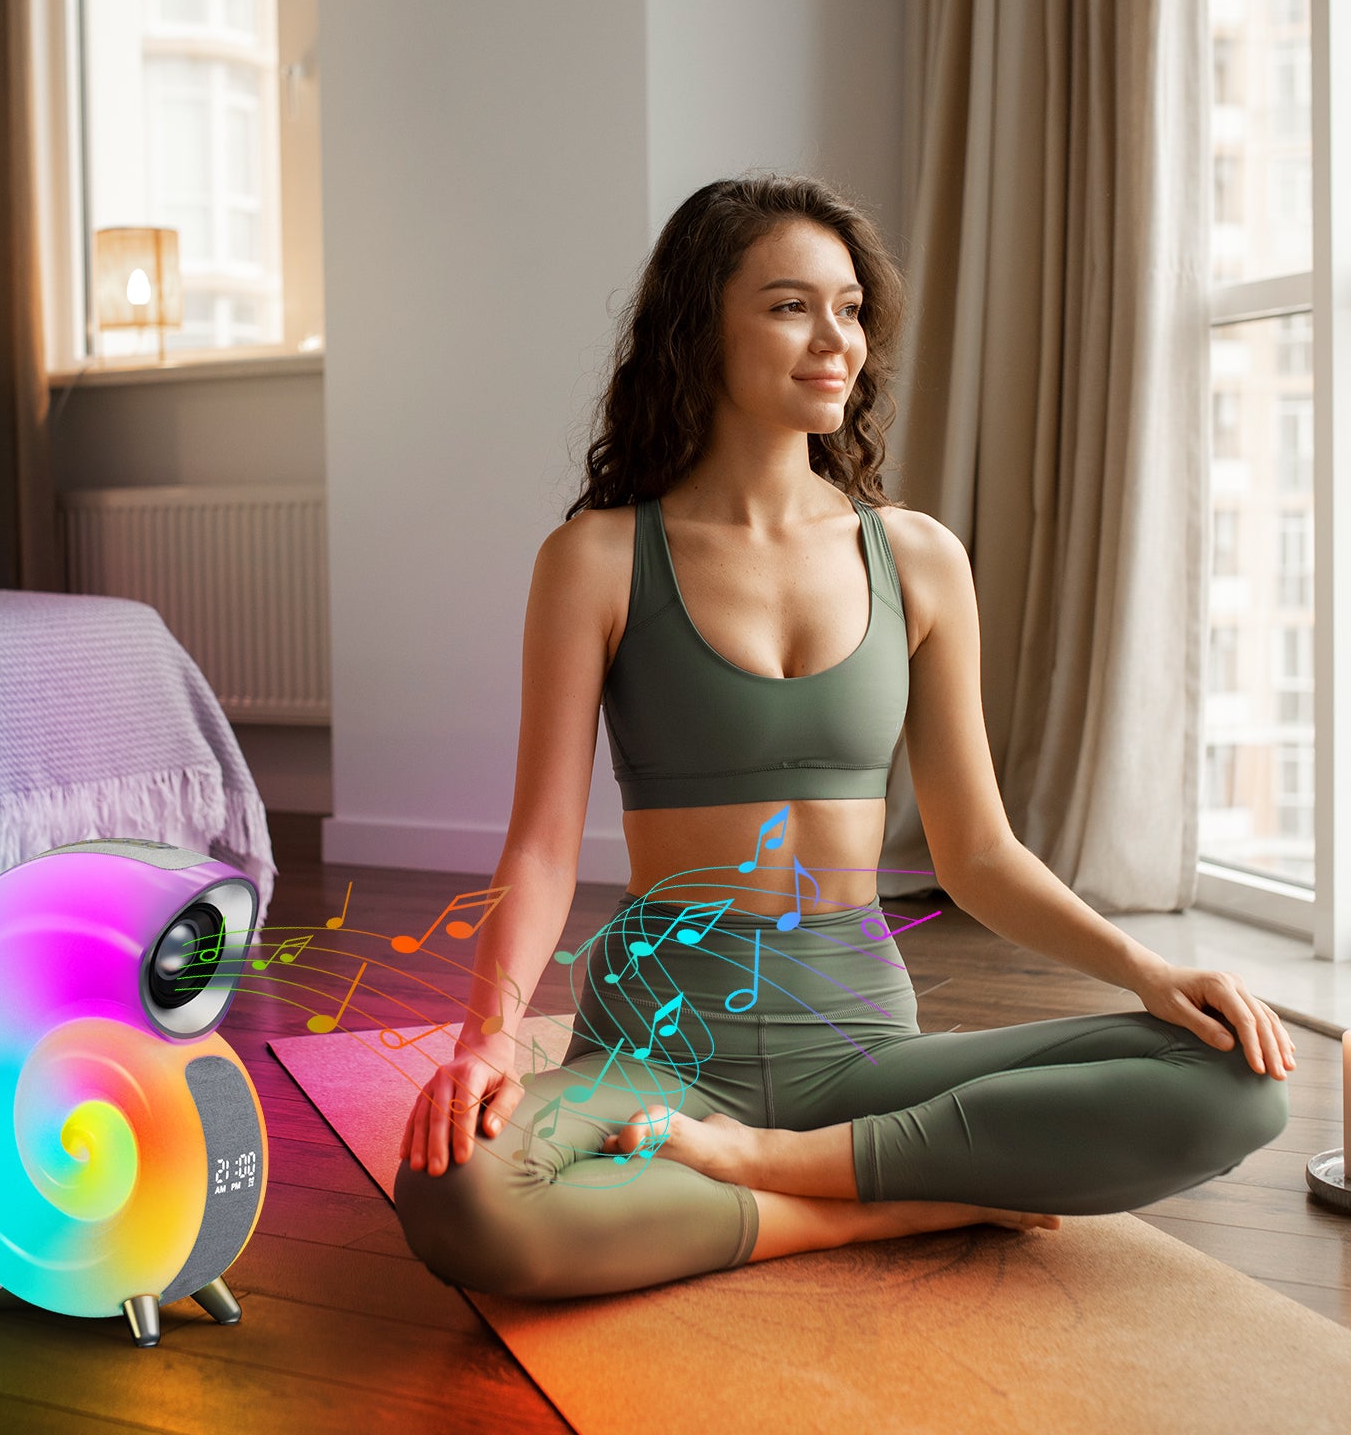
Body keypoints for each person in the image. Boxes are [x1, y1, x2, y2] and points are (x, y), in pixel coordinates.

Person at [392, 174, 1294, 1301]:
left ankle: (780, 1170)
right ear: (698, 328)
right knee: (456, 1194)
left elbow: (977, 853)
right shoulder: (598, 559)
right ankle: (875, 1206)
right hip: (660, 1049)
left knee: (1236, 1078)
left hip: (863, 1046)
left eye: (852, 308)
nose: (838, 341)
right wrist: (485, 1036)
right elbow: (539, 847)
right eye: (789, 306)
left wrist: (1150, 971)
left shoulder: (917, 557)